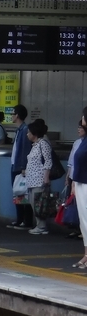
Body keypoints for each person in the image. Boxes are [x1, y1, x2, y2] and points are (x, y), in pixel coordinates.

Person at [8, 104, 34, 229]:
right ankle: (20, 219)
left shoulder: (24, 130)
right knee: (18, 193)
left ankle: (26, 220)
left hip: (20, 167)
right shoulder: (19, 129)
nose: (11, 116)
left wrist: (24, 166)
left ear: (17, 115)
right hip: (15, 165)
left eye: (12, 113)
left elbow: (25, 150)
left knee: (23, 193)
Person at [25, 118, 52, 235]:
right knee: (34, 202)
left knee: (38, 203)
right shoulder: (35, 145)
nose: (27, 134)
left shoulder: (43, 144)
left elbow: (48, 161)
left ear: (34, 133)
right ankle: (40, 225)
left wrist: (46, 177)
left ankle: (41, 226)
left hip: (39, 179)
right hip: (32, 179)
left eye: (29, 132)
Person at [70, 107, 87, 268]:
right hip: (81, 183)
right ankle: (86, 254)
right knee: (84, 221)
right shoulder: (83, 141)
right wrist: (74, 183)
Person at [65, 120, 85, 238]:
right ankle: (77, 228)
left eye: (81, 127)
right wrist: (68, 177)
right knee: (74, 204)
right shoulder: (77, 143)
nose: (78, 129)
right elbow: (71, 162)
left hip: (83, 179)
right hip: (74, 177)